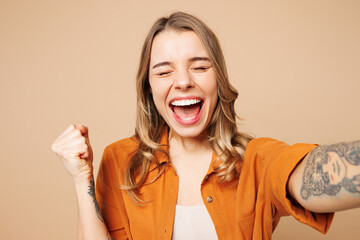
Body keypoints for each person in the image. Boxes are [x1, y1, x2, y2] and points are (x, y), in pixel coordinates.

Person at [51, 12, 360, 240]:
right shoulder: (119, 161)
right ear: (148, 88)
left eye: (199, 66)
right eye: (163, 72)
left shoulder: (256, 161)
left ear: (218, 80)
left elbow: (315, 172)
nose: (184, 81)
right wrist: (82, 180)